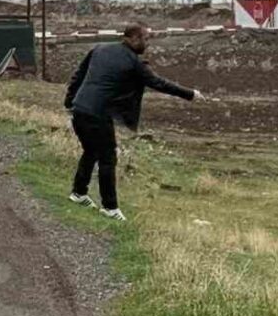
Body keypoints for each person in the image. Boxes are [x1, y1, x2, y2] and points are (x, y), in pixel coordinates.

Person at [65, 24, 202, 221]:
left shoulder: (99, 48)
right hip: (98, 114)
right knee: (108, 158)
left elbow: (78, 75)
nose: (148, 44)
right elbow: (159, 83)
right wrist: (191, 94)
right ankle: (110, 207)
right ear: (134, 38)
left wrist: (70, 101)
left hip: (80, 110)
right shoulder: (134, 62)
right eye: (146, 39)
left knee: (91, 151)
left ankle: (78, 193)